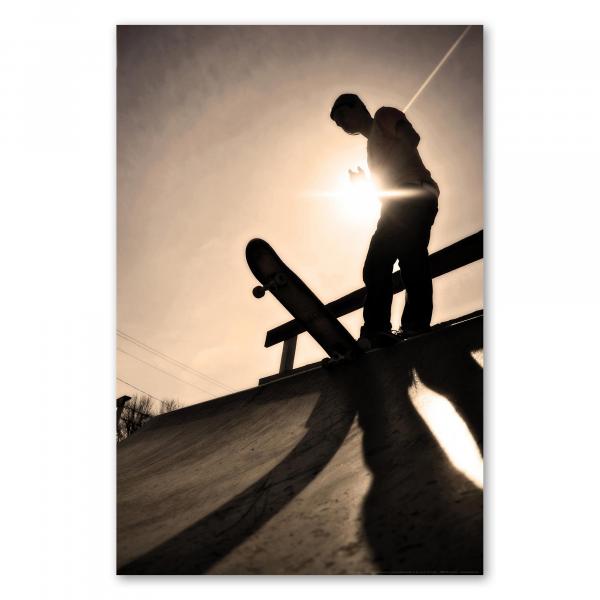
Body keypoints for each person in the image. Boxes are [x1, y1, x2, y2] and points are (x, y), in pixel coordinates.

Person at [330, 93, 439, 348]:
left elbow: (412, 138)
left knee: (394, 259)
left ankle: (393, 327)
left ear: (358, 107)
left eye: (342, 115)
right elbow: (386, 187)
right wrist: (364, 184)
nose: (341, 124)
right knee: (396, 260)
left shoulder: (383, 116)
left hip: (414, 193)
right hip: (397, 202)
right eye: (337, 123)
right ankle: (391, 329)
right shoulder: (371, 149)